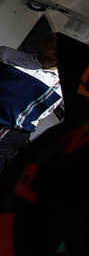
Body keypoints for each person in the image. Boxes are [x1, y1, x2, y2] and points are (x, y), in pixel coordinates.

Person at [0, 32, 62, 171]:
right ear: (43, 43)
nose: (57, 54)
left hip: (10, 134)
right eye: (54, 48)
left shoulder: (60, 88)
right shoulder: (6, 54)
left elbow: (42, 115)